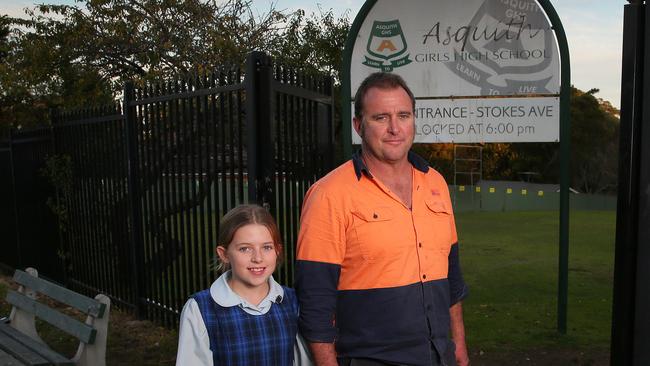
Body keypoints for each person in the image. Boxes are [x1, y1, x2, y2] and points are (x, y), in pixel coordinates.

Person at [295, 72, 469, 366]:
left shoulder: (435, 183)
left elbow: (451, 276)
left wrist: (459, 346)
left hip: (440, 357)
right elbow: (315, 301)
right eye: (380, 117)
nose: (394, 128)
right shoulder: (328, 195)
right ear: (358, 126)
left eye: (403, 115)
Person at [176, 204, 300, 365]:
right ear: (224, 254)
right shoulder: (200, 310)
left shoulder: (293, 303)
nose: (258, 258)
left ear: (277, 251)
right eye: (245, 249)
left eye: (267, 247)